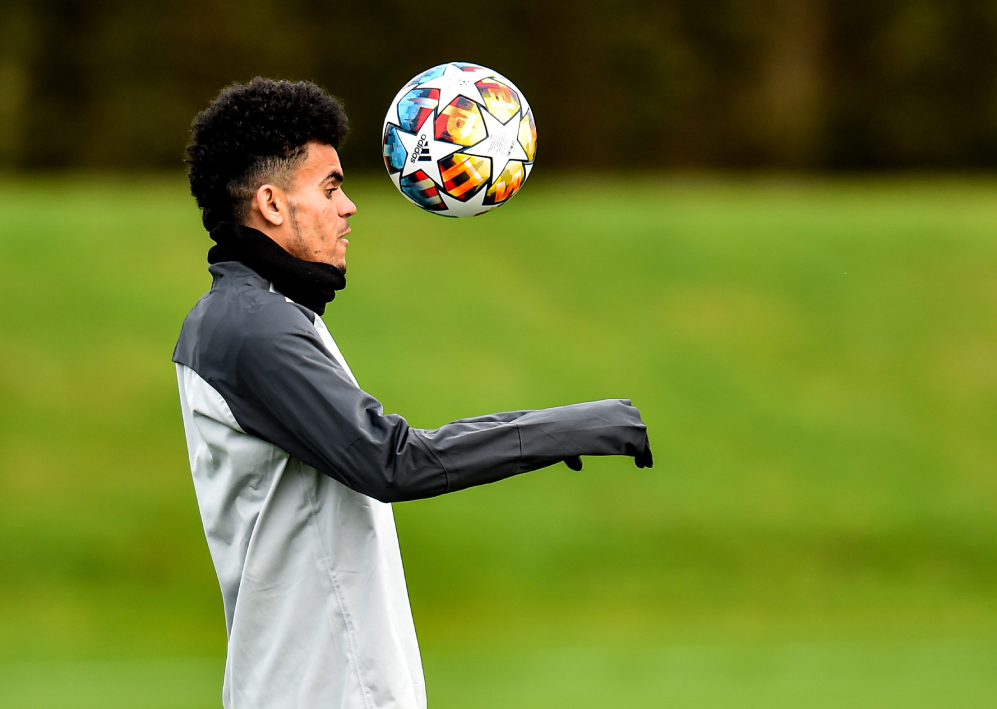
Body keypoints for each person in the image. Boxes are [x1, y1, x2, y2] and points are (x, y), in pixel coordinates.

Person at [174, 77, 652, 709]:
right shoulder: (252, 326)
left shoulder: (261, 313)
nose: (348, 208)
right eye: (331, 186)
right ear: (270, 203)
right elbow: (390, 459)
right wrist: (566, 430)